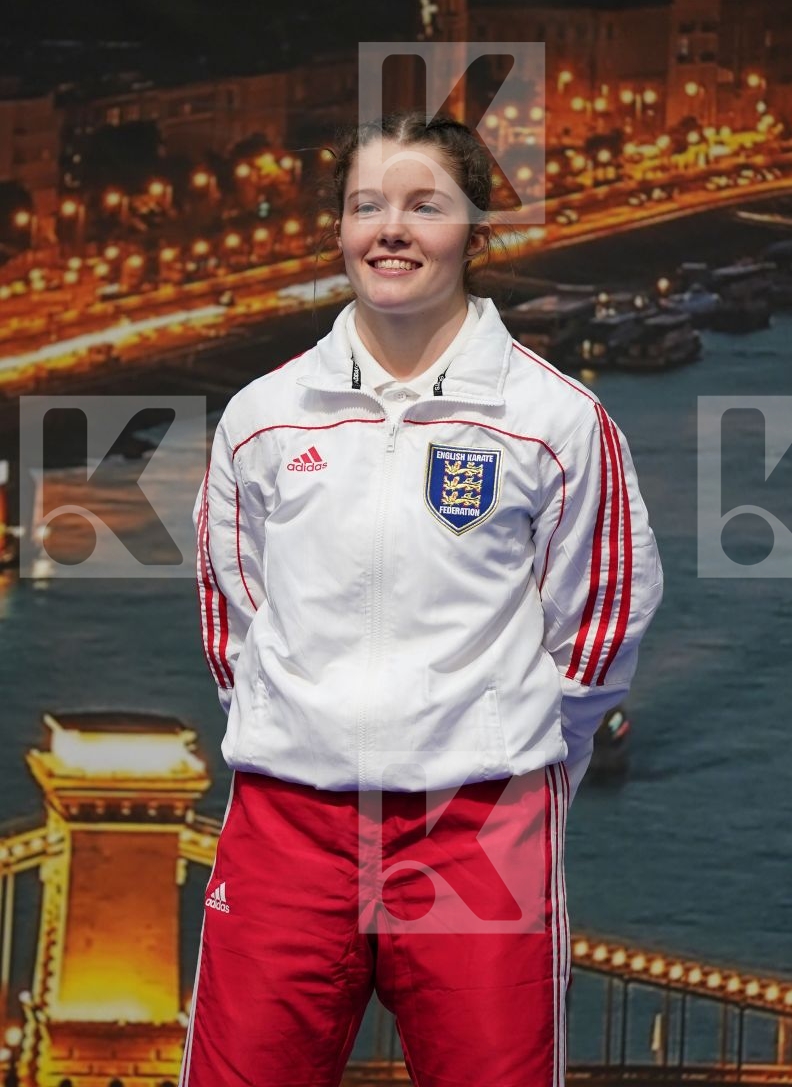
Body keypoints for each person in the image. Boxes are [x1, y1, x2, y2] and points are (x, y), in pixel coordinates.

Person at [181, 111, 663, 1087]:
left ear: (476, 233)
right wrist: (302, 727)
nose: (390, 229)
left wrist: (507, 747)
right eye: (368, 205)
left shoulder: (557, 422)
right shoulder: (261, 418)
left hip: (476, 829)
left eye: (424, 205)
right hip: (286, 826)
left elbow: (602, 623)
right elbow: (234, 622)